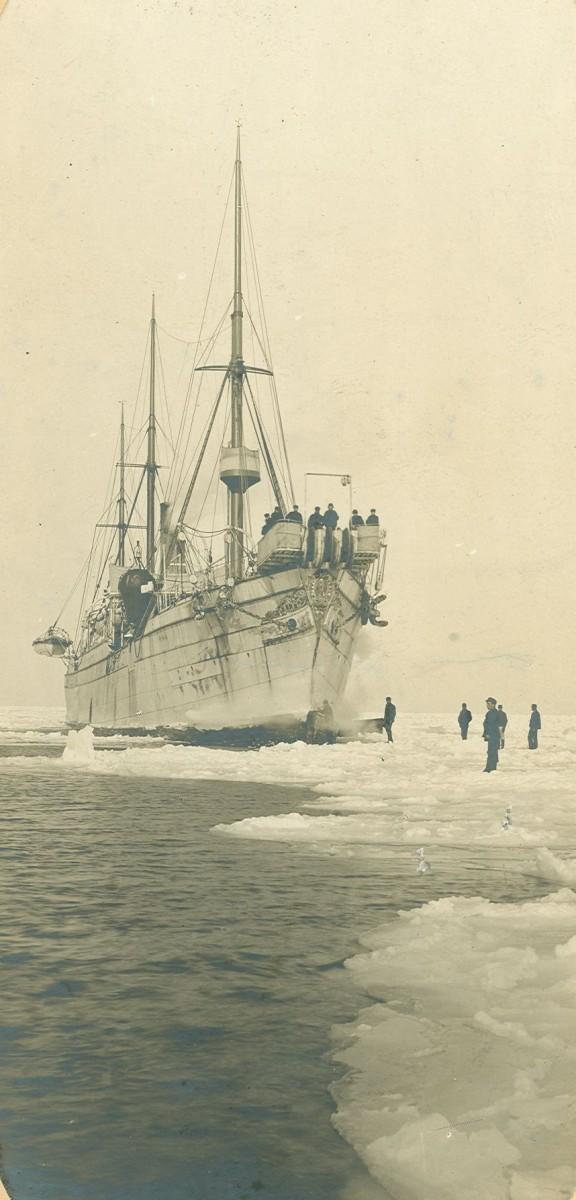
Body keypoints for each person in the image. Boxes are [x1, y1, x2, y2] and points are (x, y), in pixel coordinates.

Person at [482, 697, 501, 772]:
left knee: (492, 751)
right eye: (487, 704)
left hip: (493, 736)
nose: (487, 705)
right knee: (491, 751)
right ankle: (490, 767)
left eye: (489, 704)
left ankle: (491, 768)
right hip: (492, 736)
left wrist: (489, 734)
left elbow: (492, 725)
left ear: (493, 705)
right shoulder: (490, 713)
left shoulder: (494, 713)